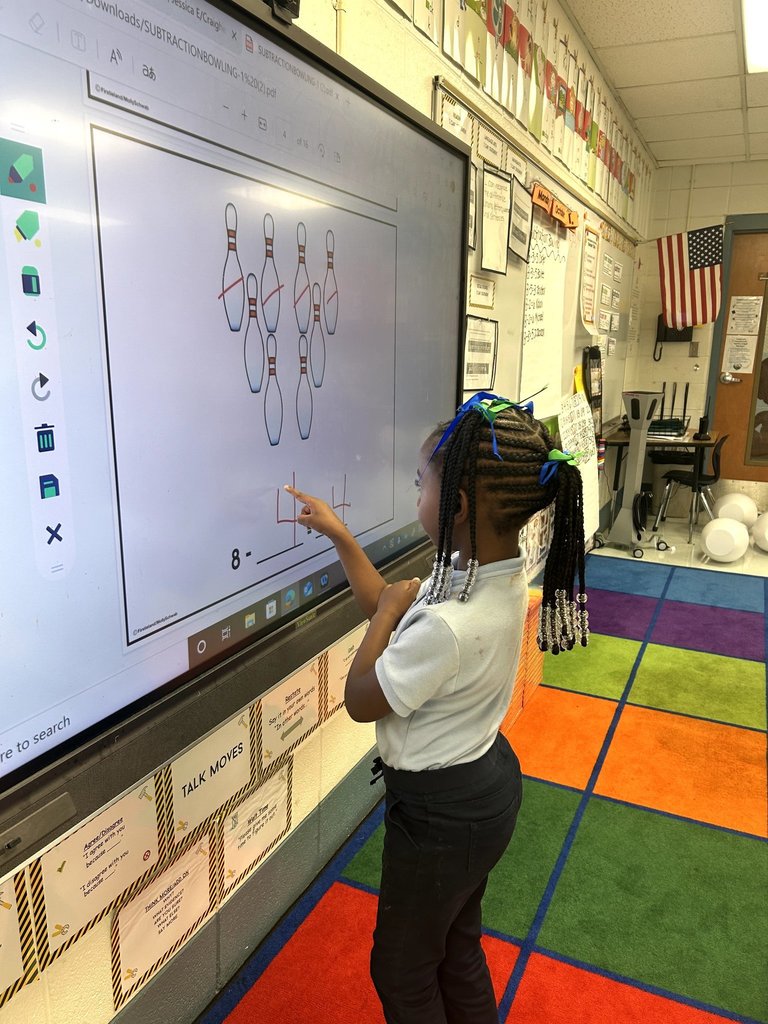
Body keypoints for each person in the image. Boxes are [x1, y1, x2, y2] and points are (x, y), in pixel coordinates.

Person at [285, 393, 588, 1024]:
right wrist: (343, 538)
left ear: (455, 505)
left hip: (443, 817)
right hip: (482, 792)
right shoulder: (492, 572)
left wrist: (391, 613)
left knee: (400, 970)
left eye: (420, 483)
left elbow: (360, 698)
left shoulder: (452, 622)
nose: (414, 492)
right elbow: (389, 605)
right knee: (454, 947)